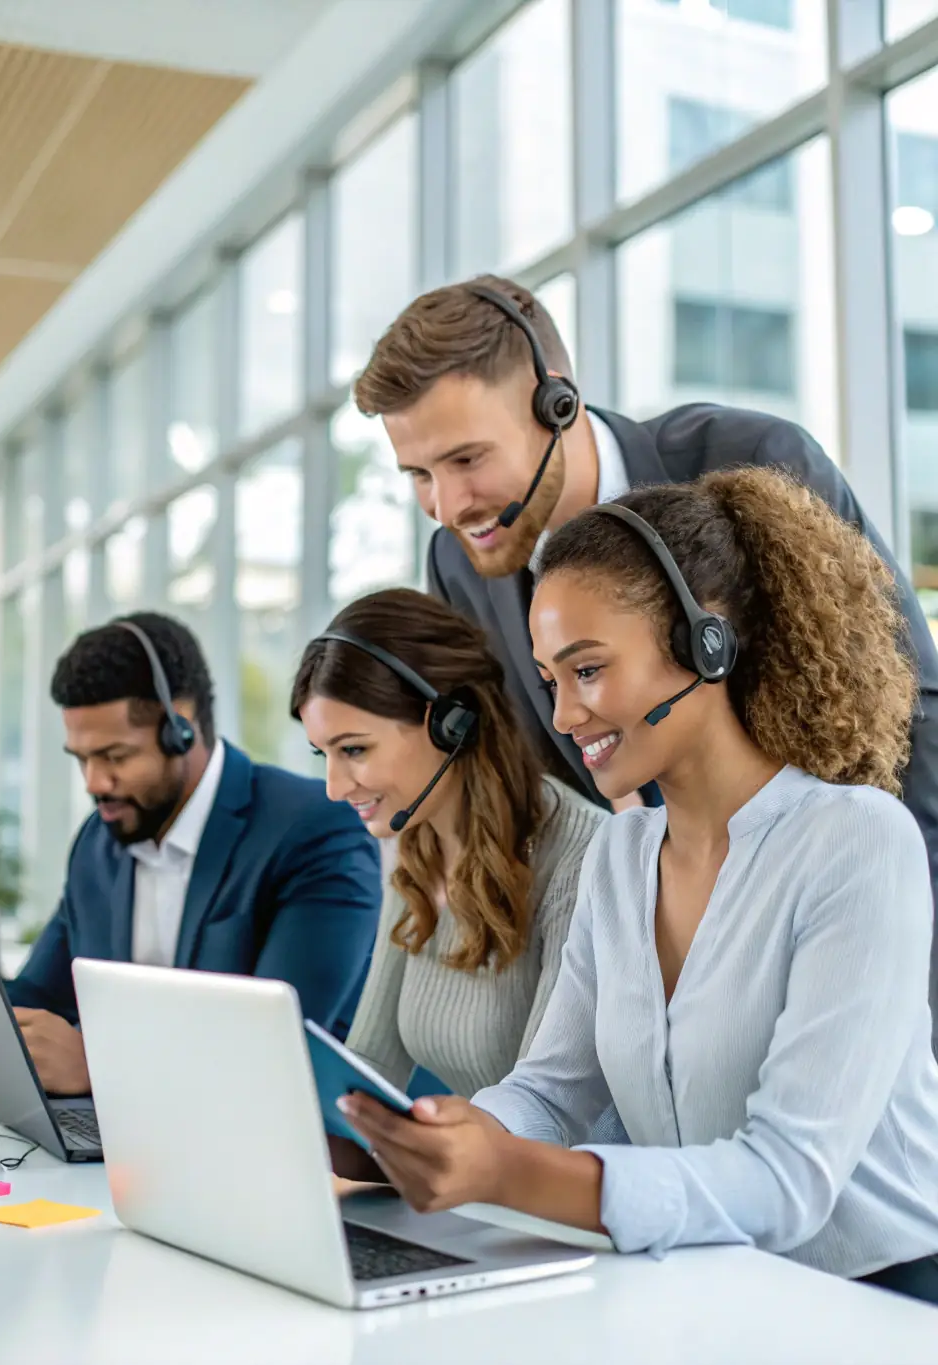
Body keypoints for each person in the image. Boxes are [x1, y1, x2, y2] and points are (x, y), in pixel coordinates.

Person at [337, 469, 938, 1306]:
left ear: (707, 644)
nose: (564, 716)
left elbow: (789, 1178)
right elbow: (551, 1090)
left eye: (587, 670)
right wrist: (441, 1133)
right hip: (707, 1288)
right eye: (550, 680)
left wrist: (512, 1173)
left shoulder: (856, 843)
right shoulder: (623, 854)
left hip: (880, 1303)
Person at [353, 275, 938, 1043]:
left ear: (554, 402)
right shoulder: (462, 564)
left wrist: (913, 993)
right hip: (663, 966)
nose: (447, 504)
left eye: (467, 459)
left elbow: (913, 714)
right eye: (419, 475)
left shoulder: (750, 463)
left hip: (837, 927)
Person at [0, 612, 380, 1093]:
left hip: (295, 1152)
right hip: (118, 1153)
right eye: (82, 759)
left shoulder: (312, 829)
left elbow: (278, 1047)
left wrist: (104, 1071)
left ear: (181, 728)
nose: (95, 783)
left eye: (115, 756)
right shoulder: (99, 844)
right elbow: (41, 997)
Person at [291, 588, 604, 1180]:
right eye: (323, 755)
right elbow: (369, 1068)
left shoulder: (581, 854)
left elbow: (548, 1114)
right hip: (484, 1197)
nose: (334, 786)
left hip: (571, 1210)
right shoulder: (418, 843)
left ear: (452, 723)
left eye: (354, 750)